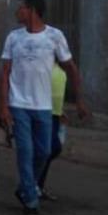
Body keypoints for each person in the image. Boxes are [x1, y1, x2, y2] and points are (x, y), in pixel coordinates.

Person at [0, 0, 87, 215]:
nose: (17, 12)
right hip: (19, 103)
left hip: (43, 105)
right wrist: (4, 106)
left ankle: (25, 187)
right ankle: (30, 199)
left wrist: (78, 99)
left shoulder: (54, 36)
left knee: (44, 151)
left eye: (21, 8)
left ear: (31, 10)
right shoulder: (13, 38)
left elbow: (71, 68)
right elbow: (5, 72)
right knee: (25, 151)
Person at [36, 65, 68, 202]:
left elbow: (59, 92)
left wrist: (61, 110)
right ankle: (33, 184)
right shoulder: (44, 64)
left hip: (55, 113)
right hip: (43, 111)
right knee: (50, 148)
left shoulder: (62, 69)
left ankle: (37, 185)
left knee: (51, 149)